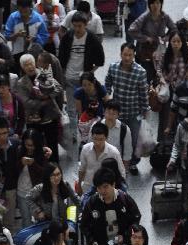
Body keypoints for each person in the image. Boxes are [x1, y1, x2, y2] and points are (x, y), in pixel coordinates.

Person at [80, 168, 141, 245]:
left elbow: (136, 218)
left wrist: (125, 235)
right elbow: (84, 225)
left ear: (113, 184)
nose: (102, 191)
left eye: (105, 187)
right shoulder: (92, 203)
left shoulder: (124, 199)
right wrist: (92, 241)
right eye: (99, 188)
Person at [104, 42, 148, 175]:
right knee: (117, 139)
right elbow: (107, 83)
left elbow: (143, 93)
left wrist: (144, 110)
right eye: (125, 54)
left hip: (133, 112)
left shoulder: (140, 72)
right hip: (116, 113)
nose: (127, 58)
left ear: (134, 55)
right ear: (120, 54)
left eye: (130, 55)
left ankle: (133, 163)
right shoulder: (113, 68)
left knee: (133, 140)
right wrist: (107, 97)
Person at [58, 15, 104, 131]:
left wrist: (89, 73)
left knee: (85, 107)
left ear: (86, 24)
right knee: (71, 109)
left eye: (80, 26)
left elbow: (100, 59)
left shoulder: (92, 39)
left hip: (85, 81)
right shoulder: (68, 37)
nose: (77, 29)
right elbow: (61, 57)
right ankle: (75, 133)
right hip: (69, 77)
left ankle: (85, 129)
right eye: (75, 26)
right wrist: (63, 74)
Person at [78, 122, 126, 196]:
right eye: (95, 139)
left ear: (106, 138)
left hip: (106, 191)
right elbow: (82, 169)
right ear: (91, 137)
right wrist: (79, 185)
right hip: (88, 187)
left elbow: (121, 173)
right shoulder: (85, 149)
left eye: (101, 139)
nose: (97, 143)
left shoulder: (113, 152)